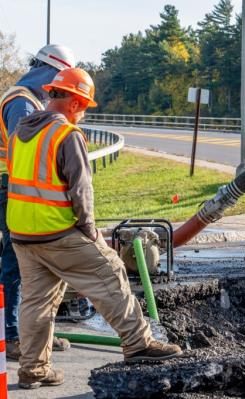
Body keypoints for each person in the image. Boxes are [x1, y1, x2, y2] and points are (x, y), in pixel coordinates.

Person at [6, 67, 183, 390]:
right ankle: (138, 343)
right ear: (74, 102)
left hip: (22, 234)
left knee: (37, 302)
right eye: (85, 104)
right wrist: (92, 233)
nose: (85, 112)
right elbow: (81, 192)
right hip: (56, 232)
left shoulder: (19, 133)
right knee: (111, 271)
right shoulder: (67, 135)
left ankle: (33, 369)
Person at [0, 44, 77, 360]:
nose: (55, 91)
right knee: (17, 262)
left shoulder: (25, 99)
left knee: (32, 262)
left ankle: (35, 334)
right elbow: (30, 151)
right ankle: (14, 337)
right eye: (57, 83)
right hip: (12, 187)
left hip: (14, 186)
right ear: (49, 70)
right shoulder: (23, 103)